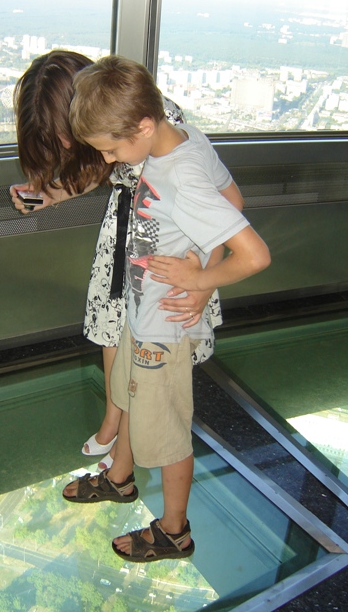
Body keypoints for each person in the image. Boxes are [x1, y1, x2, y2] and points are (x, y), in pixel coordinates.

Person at [62, 55, 271, 562]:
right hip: (141, 315)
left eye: (111, 149)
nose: (109, 159)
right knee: (130, 399)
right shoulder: (185, 138)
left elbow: (255, 254)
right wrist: (201, 262)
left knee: (168, 432)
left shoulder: (180, 175)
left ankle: (175, 530)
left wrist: (201, 281)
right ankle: (121, 479)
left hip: (163, 331)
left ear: (143, 125)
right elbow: (234, 198)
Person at [10, 50, 244, 470]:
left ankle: (123, 459)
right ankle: (114, 419)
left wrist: (205, 280)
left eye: (63, 133)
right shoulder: (113, 123)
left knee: (141, 351)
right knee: (110, 331)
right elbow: (112, 169)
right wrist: (52, 194)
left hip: (164, 251)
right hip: (127, 232)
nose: (67, 145)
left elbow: (222, 207)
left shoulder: (156, 124)